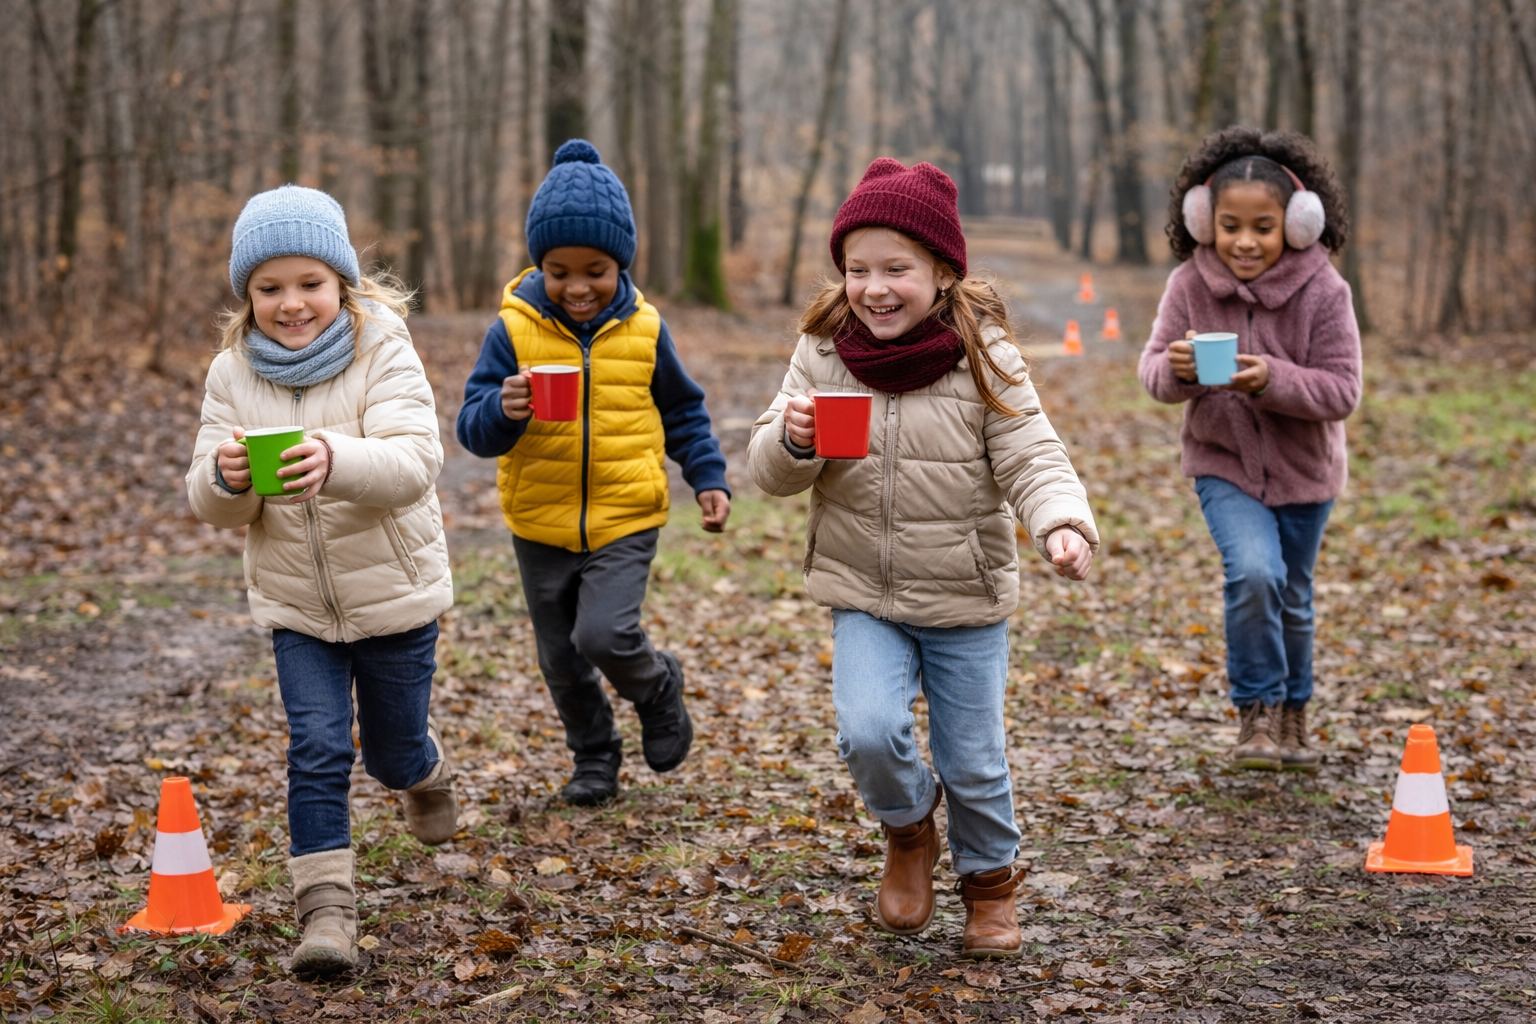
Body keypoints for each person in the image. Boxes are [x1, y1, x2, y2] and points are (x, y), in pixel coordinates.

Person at [748, 158, 1098, 959]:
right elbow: (767, 472)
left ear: (943, 273)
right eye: (858, 268)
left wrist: (1060, 522)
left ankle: (990, 886)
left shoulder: (986, 356)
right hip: (864, 591)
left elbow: (1032, 453)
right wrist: (793, 440)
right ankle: (909, 833)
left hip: (963, 597)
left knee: (973, 762)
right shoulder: (823, 352)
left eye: (896, 269)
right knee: (869, 732)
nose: (873, 287)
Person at [185, 187, 457, 974]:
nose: (291, 303)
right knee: (317, 746)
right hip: (298, 605)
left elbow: (414, 465)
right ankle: (327, 915)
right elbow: (208, 502)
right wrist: (229, 478)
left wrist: (336, 459)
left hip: (392, 597)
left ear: (343, 282)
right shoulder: (231, 375)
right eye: (269, 288)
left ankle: (423, 769)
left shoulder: (385, 351)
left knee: (391, 751)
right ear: (248, 296)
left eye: (309, 283)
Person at [457, 139, 730, 807]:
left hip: (625, 513)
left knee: (602, 633)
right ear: (538, 265)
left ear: (621, 264)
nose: (577, 287)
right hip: (539, 520)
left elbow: (683, 411)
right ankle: (595, 757)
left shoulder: (644, 330)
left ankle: (657, 685)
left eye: (596, 270)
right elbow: (472, 428)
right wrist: (504, 407)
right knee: (561, 660)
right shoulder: (513, 332)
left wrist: (709, 478)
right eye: (558, 271)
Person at [1138, 126, 1361, 772]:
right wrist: (1177, 370)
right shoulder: (1188, 286)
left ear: (1297, 224)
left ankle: (1294, 712)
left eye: (1262, 227)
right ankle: (1256, 711)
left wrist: (1273, 379)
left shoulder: (1326, 292)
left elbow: (1343, 390)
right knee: (1255, 574)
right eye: (1229, 225)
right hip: (1224, 466)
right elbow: (1152, 373)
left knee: (1292, 593)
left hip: (1305, 475)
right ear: (1202, 221)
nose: (1243, 241)